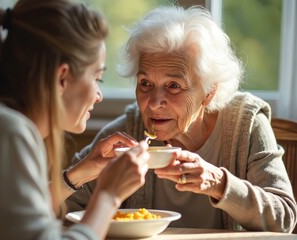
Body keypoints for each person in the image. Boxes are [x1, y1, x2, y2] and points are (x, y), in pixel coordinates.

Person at [0, 0, 150, 239]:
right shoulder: (7, 132)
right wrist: (108, 195)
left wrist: (82, 172)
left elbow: (16, 219)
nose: (98, 96)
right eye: (97, 78)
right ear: (62, 77)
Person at [65, 4, 297, 233]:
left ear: (209, 92)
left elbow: (284, 218)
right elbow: (58, 212)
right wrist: (79, 174)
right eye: (145, 83)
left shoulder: (246, 125)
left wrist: (219, 183)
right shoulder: (126, 134)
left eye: (174, 86)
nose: (154, 103)